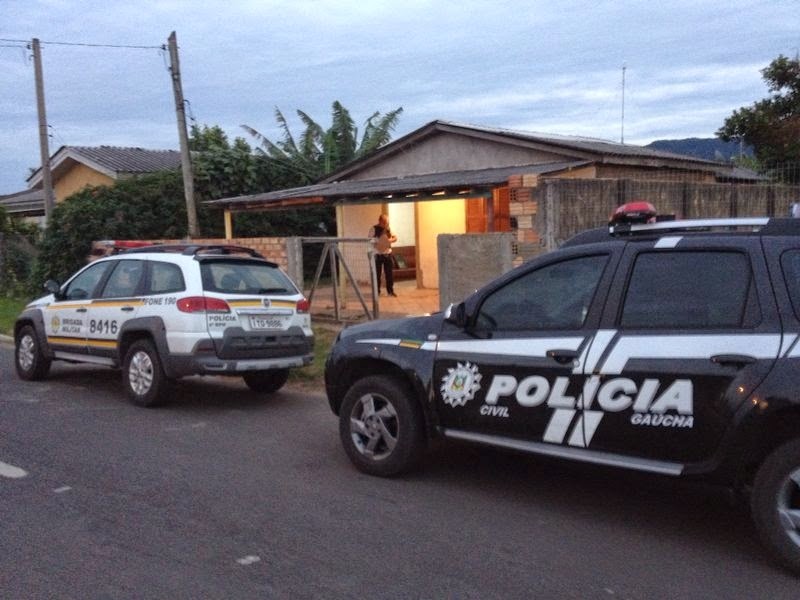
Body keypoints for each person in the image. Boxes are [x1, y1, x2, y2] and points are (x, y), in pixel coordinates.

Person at [369, 213, 398, 297]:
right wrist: (379, 241)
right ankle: (377, 291)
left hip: (387, 254)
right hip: (378, 255)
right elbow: (370, 240)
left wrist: (389, 241)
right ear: (380, 221)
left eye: (386, 222)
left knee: (389, 274)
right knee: (377, 274)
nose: (385, 223)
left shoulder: (388, 229)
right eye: (384, 221)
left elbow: (395, 237)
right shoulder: (373, 229)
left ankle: (390, 291)